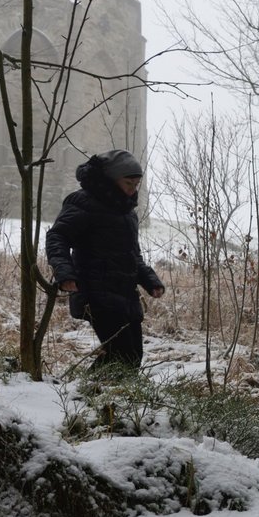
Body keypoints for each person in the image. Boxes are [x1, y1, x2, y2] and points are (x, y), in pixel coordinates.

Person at [46, 149, 165, 374]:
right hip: (95, 292)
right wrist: (65, 273)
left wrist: (150, 281)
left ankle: (93, 396)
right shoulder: (84, 202)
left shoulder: (128, 212)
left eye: (137, 184)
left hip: (125, 295)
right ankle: (86, 396)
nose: (133, 190)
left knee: (131, 358)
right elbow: (57, 237)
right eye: (129, 183)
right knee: (122, 356)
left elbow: (132, 255)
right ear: (112, 179)